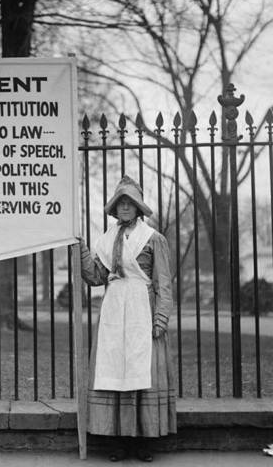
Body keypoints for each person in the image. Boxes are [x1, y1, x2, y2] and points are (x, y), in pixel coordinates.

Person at [79, 175, 176, 462]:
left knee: (143, 373)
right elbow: (95, 276)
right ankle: (118, 442)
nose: (124, 207)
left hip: (142, 310)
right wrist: (80, 248)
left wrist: (160, 317)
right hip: (114, 309)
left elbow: (163, 283)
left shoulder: (153, 239)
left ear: (138, 207)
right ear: (114, 208)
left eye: (129, 202)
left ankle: (143, 443)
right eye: (120, 202)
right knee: (114, 371)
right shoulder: (107, 239)